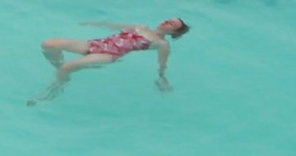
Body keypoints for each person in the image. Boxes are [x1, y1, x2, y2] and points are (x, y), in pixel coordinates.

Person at [33, 17, 187, 102]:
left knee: (68, 68)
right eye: (168, 19)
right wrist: (95, 23)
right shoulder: (141, 26)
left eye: (171, 23)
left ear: (173, 31)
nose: (166, 21)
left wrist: (162, 76)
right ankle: (58, 68)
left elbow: (162, 62)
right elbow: (113, 25)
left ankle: (53, 91)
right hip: (95, 43)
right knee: (49, 44)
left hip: (109, 55)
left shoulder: (162, 44)